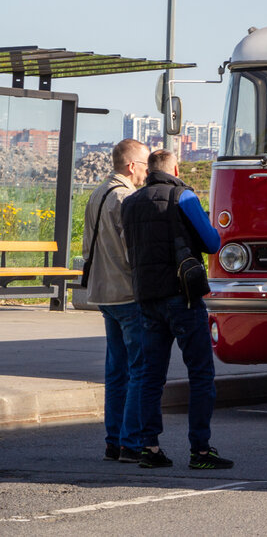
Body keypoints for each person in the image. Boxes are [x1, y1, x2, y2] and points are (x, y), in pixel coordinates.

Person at [121, 150, 232, 470]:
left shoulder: (131, 202)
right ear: (175, 168)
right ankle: (200, 451)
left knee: (148, 376)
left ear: (149, 170)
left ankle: (149, 448)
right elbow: (212, 243)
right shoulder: (182, 196)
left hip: (147, 298)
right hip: (182, 298)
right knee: (200, 373)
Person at [83, 138, 150, 463]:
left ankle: (113, 440)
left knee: (116, 369)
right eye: (145, 165)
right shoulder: (126, 198)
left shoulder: (97, 193)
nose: (147, 172)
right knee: (139, 369)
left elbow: (87, 247)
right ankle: (131, 442)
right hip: (127, 293)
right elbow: (131, 252)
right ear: (131, 166)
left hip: (103, 292)